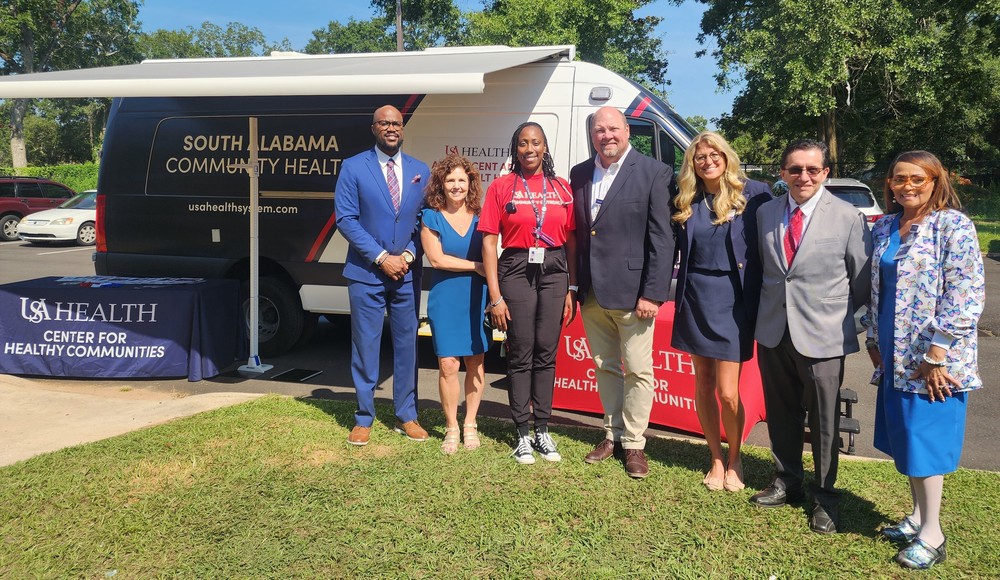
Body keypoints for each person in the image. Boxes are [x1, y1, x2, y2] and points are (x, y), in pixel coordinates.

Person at [863, 151, 984, 570]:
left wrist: (937, 352)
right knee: (908, 440)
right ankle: (917, 518)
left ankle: (933, 535)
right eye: (899, 178)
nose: (907, 186)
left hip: (934, 359)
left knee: (927, 442)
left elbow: (966, 293)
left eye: (918, 178)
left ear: (935, 181)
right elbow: (876, 287)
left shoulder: (953, 225)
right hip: (895, 354)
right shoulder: (885, 226)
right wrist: (872, 338)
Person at [751, 139, 872, 534]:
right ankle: (787, 481)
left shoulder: (848, 217)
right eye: (795, 169)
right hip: (774, 331)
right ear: (782, 173)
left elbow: (862, 283)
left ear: (825, 173)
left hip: (824, 336)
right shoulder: (766, 213)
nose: (803, 176)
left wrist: (841, 323)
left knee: (824, 421)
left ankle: (825, 498)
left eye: (812, 169)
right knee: (781, 412)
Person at [569, 106, 674, 479]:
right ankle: (611, 435)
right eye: (599, 130)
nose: (607, 136)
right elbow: (581, 232)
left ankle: (634, 443)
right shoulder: (580, 173)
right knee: (605, 367)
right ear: (592, 134)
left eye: (613, 128)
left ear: (627, 131)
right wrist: (575, 285)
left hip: (634, 295)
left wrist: (653, 293)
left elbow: (662, 238)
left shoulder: (654, 172)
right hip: (592, 292)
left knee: (639, 370)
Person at [670, 131, 771, 490]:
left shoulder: (755, 194)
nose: (708, 161)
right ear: (692, 164)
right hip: (695, 297)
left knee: (728, 392)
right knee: (703, 383)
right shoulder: (686, 198)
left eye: (714, 155)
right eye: (700, 157)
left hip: (734, 301)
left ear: (726, 157)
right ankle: (715, 457)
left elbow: (770, 246)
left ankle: (735, 457)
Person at [479, 121, 576, 465]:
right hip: (516, 267)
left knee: (547, 351)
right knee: (521, 351)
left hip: (554, 268)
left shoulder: (562, 188)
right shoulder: (501, 186)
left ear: (545, 147)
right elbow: (489, 242)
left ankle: (542, 429)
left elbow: (572, 240)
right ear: (515, 148)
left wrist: (571, 287)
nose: (530, 149)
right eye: (523, 143)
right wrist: (495, 296)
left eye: (536, 142)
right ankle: (522, 432)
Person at [335, 105, 430, 446]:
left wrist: (407, 255)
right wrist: (380, 257)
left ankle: (407, 415)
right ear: (374, 128)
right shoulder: (353, 167)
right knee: (365, 346)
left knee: (407, 345)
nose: (392, 128)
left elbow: (425, 221)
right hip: (366, 272)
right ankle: (364, 417)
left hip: (406, 272)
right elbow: (346, 219)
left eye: (396, 123)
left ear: (403, 128)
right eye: (385, 123)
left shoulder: (420, 170)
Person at [420, 154, 489, 455]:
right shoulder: (431, 217)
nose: (456, 186)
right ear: (441, 184)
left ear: (470, 183)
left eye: (462, 180)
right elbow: (436, 259)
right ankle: (451, 426)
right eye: (450, 180)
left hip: (477, 297)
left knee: (476, 361)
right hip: (445, 297)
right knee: (448, 364)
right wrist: (476, 266)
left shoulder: (482, 216)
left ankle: (470, 423)